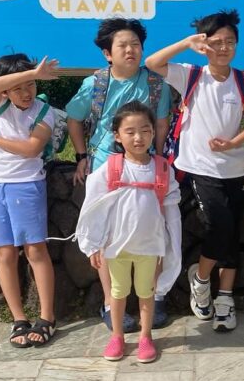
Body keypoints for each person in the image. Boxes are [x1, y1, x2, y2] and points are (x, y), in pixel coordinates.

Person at [145, 9, 244, 333]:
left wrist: (234, 142)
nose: (223, 48)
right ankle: (200, 280)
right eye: (216, 42)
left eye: (230, 42)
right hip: (198, 168)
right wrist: (186, 43)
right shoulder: (191, 75)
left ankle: (224, 297)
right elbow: (153, 63)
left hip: (235, 168)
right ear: (204, 45)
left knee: (232, 232)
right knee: (221, 226)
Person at [65, 19, 173, 333]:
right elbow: (74, 119)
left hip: (145, 167)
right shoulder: (95, 84)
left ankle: (153, 295)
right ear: (107, 53)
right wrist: (82, 156)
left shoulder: (156, 84)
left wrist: (160, 159)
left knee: (154, 230)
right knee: (108, 237)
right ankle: (112, 303)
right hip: (106, 168)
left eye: (135, 44)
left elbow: (161, 124)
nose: (130, 50)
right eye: (123, 45)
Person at [76, 101, 180, 364]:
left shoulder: (162, 168)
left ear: (153, 133)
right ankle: (117, 336)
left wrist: (171, 245)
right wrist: (92, 244)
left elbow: (171, 211)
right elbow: (93, 207)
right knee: (118, 292)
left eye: (145, 130)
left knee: (147, 292)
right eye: (130, 131)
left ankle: (146, 337)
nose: (138, 137)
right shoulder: (110, 168)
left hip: (150, 245)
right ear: (117, 135)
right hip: (116, 246)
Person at [0, 54, 59, 348]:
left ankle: (47, 318)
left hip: (27, 185)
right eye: (19, 87)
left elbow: (32, 149)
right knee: (4, 253)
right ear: (6, 91)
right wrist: (32, 72)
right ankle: (19, 319)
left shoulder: (44, 111)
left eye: (31, 85)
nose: (26, 92)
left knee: (35, 249)